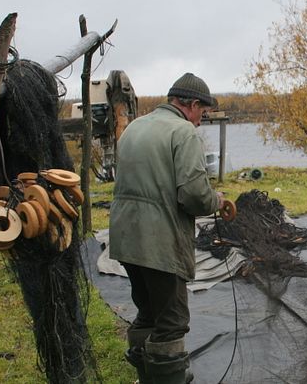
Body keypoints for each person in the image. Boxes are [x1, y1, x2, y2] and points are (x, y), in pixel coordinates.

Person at [109, 73, 223, 383]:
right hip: (158, 243)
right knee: (171, 322)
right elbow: (194, 196)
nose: (201, 121)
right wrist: (216, 200)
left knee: (147, 312)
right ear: (193, 105)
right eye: (203, 113)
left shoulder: (134, 127)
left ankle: (146, 376)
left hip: (124, 239)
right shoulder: (183, 132)